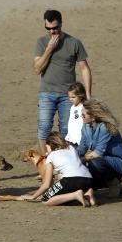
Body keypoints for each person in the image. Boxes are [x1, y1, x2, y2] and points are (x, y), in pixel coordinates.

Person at [33, 9, 91, 152]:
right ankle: (46, 164)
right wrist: (49, 49)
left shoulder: (74, 42)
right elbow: (37, 69)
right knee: (44, 127)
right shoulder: (41, 42)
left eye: (55, 28)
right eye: (49, 28)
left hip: (68, 95)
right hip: (46, 92)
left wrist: (88, 95)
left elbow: (84, 68)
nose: (52, 31)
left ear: (61, 24)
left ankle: (65, 164)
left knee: (67, 129)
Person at [19, 132, 95, 207]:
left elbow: (46, 184)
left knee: (45, 199)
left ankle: (76, 195)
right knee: (65, 192)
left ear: (50, 145)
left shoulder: (51, 157)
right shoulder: (71, 148)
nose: (46, 150)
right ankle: (87, 194)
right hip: (88, 179)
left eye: (46, 147)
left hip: (71, 179)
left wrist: (33, 196)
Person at [76, 99, 122, 196]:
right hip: (101, 160)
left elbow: (98, 153)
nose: (81, 116)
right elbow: (82, 147)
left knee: (94, 162)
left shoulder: (105, 127)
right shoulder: (86, 127)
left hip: (119, 162)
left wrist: (81, 160)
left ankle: (114, 182)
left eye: (84, 114)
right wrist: (69, 156)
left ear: (93, 117)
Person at [65, 82, 86, 146]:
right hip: (71, 139)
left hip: (79, 139)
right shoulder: (72, 107)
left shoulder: (84, 107)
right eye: (69, 97)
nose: (70, 99)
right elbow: (71, 122)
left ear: (81, 96)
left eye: (73, 97)